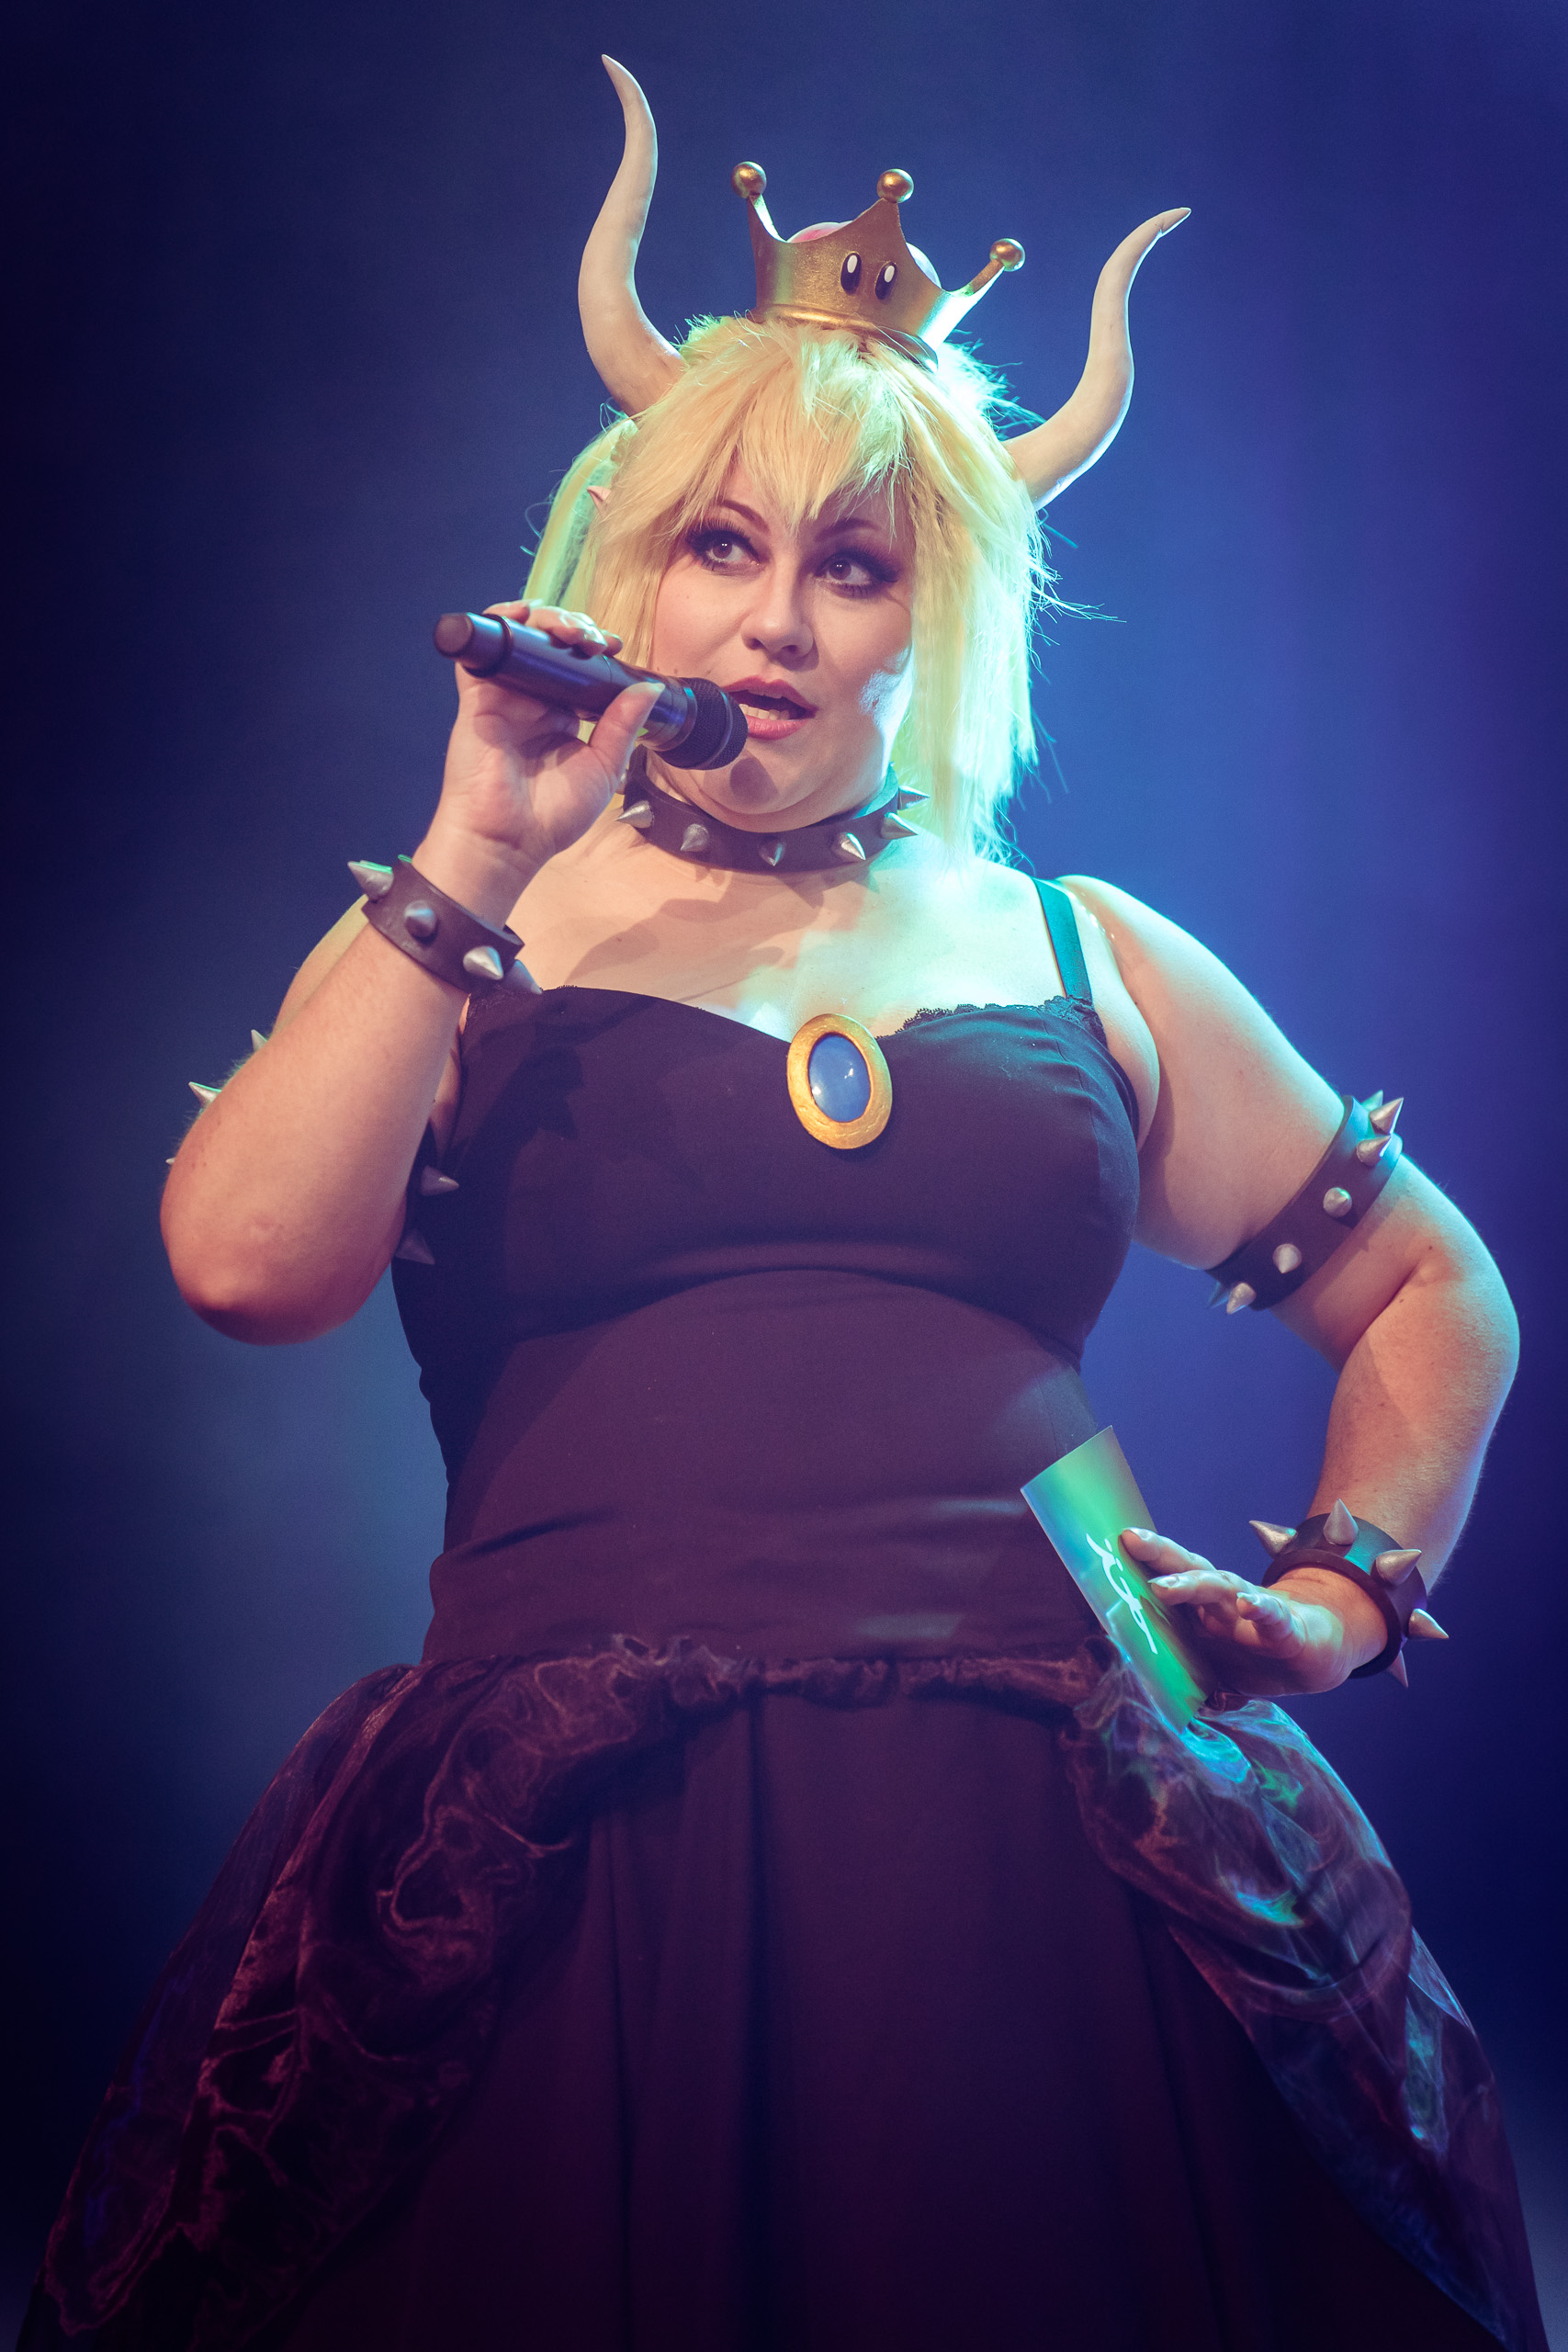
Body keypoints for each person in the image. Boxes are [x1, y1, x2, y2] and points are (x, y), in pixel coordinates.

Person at [24, 58, 1545, 2352]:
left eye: (855, 566)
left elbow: (1430, 1281)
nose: (777, 622)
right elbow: (243, 1264)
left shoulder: (1077, 950)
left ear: (935, 619)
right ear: (622, 562)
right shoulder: (473, 925)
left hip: (1057, 1870)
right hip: (569, 1861)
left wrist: (1335, 1594)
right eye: (721, 547)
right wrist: (473, 850)